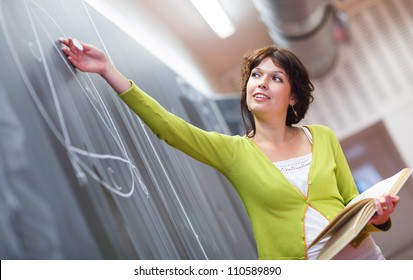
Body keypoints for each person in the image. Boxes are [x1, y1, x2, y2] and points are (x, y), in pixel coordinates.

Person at [60, 37, 400, 260]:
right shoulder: (235, 152)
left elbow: (350, 204)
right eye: (256, 75)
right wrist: (108, 70)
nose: (261, 82)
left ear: (293, 96)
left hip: (363, 259)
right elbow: (169, 128)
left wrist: (377, 214)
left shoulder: (322, 137)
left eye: (276, 78)